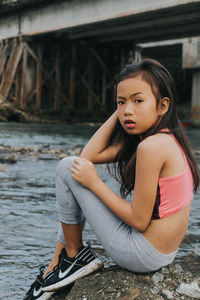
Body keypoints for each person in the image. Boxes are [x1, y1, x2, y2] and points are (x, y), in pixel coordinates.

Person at [24, 58, 199, 300]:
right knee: (76, 169)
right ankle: (56, 264)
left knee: (66, 167)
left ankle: (72, 257)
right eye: (121, 102)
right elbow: (89, 156)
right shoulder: (167, 138)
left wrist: (94, 183)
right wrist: (125, 109)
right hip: (162, 253)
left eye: (138, 100)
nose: (128, 110)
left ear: (162, 105)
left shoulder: (151, 147)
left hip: (142, 254)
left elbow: (138, 220)